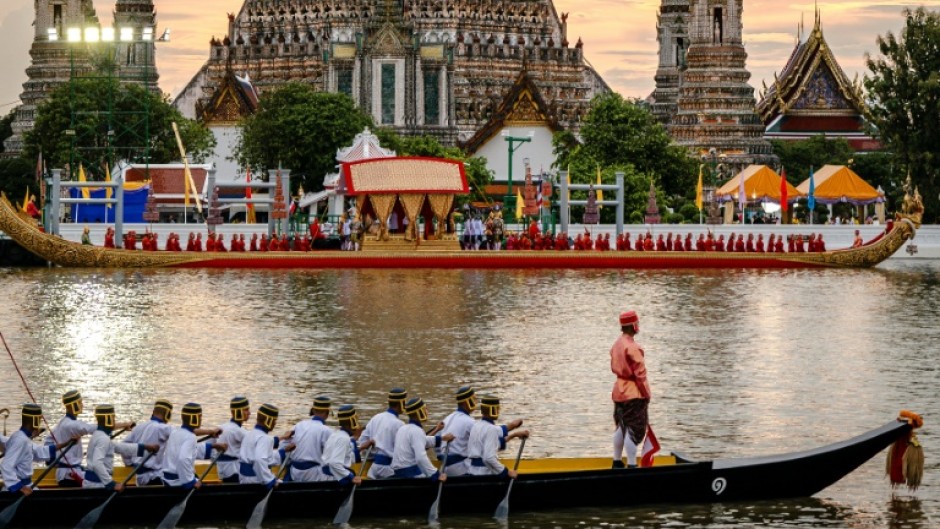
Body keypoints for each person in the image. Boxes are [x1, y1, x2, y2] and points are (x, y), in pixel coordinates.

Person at [610, 311, 651, 469]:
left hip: (618, 390)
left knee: (621, 425)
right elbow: (640, 375)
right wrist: (646, 393)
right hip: (633, 393)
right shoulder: (633, 347)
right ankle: (632, 464)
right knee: (634, 429)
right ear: (633, 326)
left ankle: (616, 461)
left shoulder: (616, 344)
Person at [1, 403, 73, 494]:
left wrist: (66, 443)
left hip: (27, 485)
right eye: (39, 420)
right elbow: (6, 465)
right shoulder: (20, 440)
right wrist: (18, 487)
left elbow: (39, 451)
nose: (39, 423)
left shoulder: (22, 438)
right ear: (34, 420)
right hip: (17, 490)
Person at [83, 404, 157, 490]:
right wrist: (111, 484)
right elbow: (97, 464)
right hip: (98, 485)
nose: (114, 420)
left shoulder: (99, 434)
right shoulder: (103, 438)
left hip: (96, 483)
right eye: (113, 418)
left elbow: (119, 447)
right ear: (108, 419)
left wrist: (144, 447)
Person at [162, 403, 227, 489]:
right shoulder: (190, 437)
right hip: (178, 482)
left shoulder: (176, 432)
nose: (201, 419)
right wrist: (190, 482)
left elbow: (192, 450)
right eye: (200, 416)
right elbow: (183, 459)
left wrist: (213, 446)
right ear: (194, 418)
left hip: (167, 480)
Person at [391, 397, 453, 480]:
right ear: (419, 412)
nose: (427, 412)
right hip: (410, 473)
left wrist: (441, 438)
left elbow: (423, 440)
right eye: (425, 409)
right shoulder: (417, 431)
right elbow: (421, 458)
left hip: (398, 471)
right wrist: (436, 475)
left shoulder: (403, 428)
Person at [467, 396, 528, 476]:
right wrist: (506, 472)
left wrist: (514, 435)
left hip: (472, 470)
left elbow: (492, 444)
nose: (499, 411)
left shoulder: (476, 426)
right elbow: (488, 458)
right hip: (484, 472)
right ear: (493, 410)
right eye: (498, 409)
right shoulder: (491, 429)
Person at [48, 390, 98, 487]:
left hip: (65, 473)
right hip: (69, 475)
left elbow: (48, 441)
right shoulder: (71, 425)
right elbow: (97, 428)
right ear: (73, 405)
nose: (82, 405)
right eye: (80, 402)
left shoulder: (62, 422)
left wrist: (52, 460)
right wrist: (124, 425)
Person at [122, 399, 175, 486]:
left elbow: (124, 446)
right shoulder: (163, 428)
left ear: (153, 412)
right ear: (168, 414)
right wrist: (205, 432)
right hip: (153, 478)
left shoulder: (138, 427)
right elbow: (184, 433)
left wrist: (129, 463)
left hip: (139, 477)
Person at [358, 388, 407, 479]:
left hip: (373, 468)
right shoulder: (399, 424)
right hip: (389, 470)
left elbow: (362, 441)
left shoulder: (376, 418)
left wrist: (372, 457)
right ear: (401, 403)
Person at [239, 403, 292, 486]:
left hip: (244, 478)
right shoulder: (265, 438)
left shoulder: (249, 434)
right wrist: (270, 481)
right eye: (274, 420)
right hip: (255, 480)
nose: (275, 423)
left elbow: (263, 456)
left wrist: (283, 451)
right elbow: (259, 460)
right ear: (268, 420)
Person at [287, 396, 333, 482]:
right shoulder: (326, 430)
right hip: (312, 475)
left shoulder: (299, 424)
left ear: (313, 411)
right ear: (327, 413)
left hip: (294, 472)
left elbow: (286, 441)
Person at [436, 386, 479, 476]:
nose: (476, 402)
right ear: (467, 402)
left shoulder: (447, 419)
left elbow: (436, 445)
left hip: (444, 468)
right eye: (474, 399)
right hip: (460, 469)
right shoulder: (470, 422)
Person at [321, 405, 363, 485]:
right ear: (351, 422)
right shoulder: (344, 438)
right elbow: (334, 463)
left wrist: (360, 449)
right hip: (334, 478)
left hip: (327, 475)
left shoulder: (336, 434)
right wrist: (351, 477)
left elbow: (345, 457)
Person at [216, 397, 251, 483]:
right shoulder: (237, 431)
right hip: (233, 471)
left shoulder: (222, 426)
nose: (249, 413)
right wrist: (280, 439)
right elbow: (256, 441)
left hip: (222, 470)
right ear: (238, 411)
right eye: (246, 410)